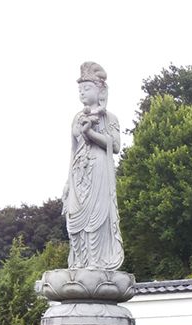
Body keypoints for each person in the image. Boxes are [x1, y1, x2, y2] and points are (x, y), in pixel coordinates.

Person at [62, 61, 124, 270]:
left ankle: (96, 262)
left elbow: (114, 146)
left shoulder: (109, 118)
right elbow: (73, 150)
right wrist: (67, 182)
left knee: (95, 219)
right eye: (80, 89)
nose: (82, 93)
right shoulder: (77, 118)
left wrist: (91, 133)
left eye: (87, 88)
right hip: (79, 173)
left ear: (101, 90)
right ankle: (79, 263)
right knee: (74, 221)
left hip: (98, 170)